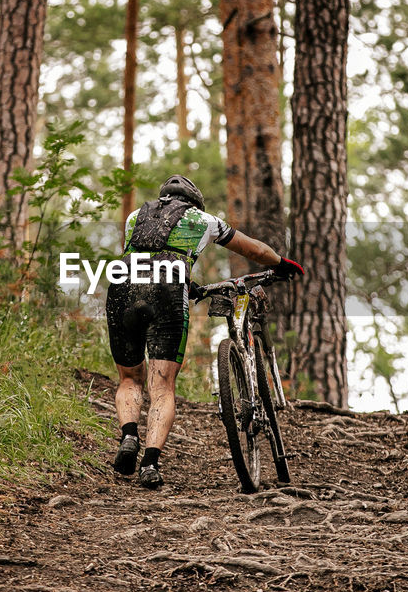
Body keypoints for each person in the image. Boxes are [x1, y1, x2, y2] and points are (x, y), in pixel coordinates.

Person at [105, 174, 304, 489]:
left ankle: (129, 436)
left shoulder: (135, 216)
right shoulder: (203, 219)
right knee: (162, 387)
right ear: (193, 200)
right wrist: (281, 263)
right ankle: (150, 464)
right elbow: (252, 248)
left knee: (130, 378)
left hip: (122, 284)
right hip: (168, 290)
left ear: (164, 197)